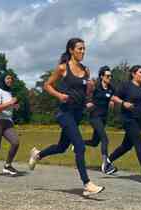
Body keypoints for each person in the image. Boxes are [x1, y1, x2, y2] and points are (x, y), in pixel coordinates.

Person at [28, 38, 105, 196]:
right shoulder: (63, 68)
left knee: (62, 147)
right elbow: (47, 85)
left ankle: (38, 154)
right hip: (64, 113)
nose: (82, 52)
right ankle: (87, 184)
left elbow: (84, 93)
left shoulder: (86, 70)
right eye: (79, 49)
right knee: (80, 146)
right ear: (71, 50)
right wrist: (59, 95)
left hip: (77, 114)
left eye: (84, 49)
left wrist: (88, 100)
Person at [108, 65, 141, 182]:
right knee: (140, 142)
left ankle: (107, 162)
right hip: (128, 119)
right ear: (133, 74)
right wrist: (123, 103)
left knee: (126, 146)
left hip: (138, 121)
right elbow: (114, 97)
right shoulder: (126, 86)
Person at [84, 65, 117, 175]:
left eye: (111, 76)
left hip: (103, 118)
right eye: (107, 75)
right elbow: (85, 95)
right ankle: (105, 165)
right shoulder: (95, 86)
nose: (110, 77)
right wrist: (87, 103)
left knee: (94, 142)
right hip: (94, 117)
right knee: (105, 139)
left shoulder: (111, 88)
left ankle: (77, 141)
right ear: (102, 76)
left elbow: (115, 96)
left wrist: (113, 101)